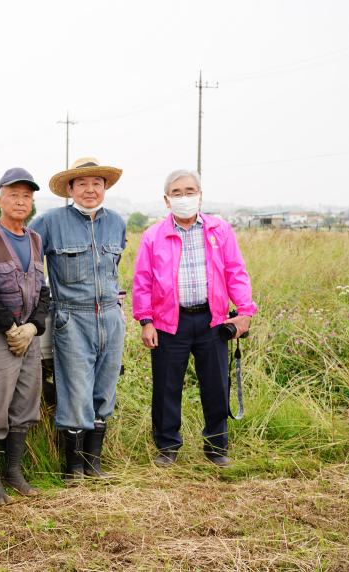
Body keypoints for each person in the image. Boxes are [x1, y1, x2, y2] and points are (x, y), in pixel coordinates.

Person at [132, 169, 257, 468]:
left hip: (212, 322)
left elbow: (235, 272)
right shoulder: (153, 236)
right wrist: (145, 320)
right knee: (166, 387)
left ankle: (216, 448)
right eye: (177, 193)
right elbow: (142, 281)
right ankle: (167, 447)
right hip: (168, 324)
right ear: (166, 200)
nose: (184, 197)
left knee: (215, 386)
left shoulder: (220, 230)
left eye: (190, 191)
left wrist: (244, 312)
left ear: (200, 196)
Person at [29, 157, 126, 484]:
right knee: (75, 392)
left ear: (105, 187)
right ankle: (73, 470)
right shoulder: (50, 221)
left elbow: (113, 269)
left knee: (104, 391)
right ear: (69, 189)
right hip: (72, 318)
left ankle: (93, 464)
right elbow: (28, 262)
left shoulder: (117, 223)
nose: (90, 189)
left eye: (96, 183)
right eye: (82, 183)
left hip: (112, 318)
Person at [0, 168, 50, 505]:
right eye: (13, 194)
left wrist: (34, 327)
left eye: (27, 195)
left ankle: (14, 473)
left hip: (27, 337)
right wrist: (10, 328)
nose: (21, 201)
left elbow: (43, 290)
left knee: (25, 405)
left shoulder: (34, 238)